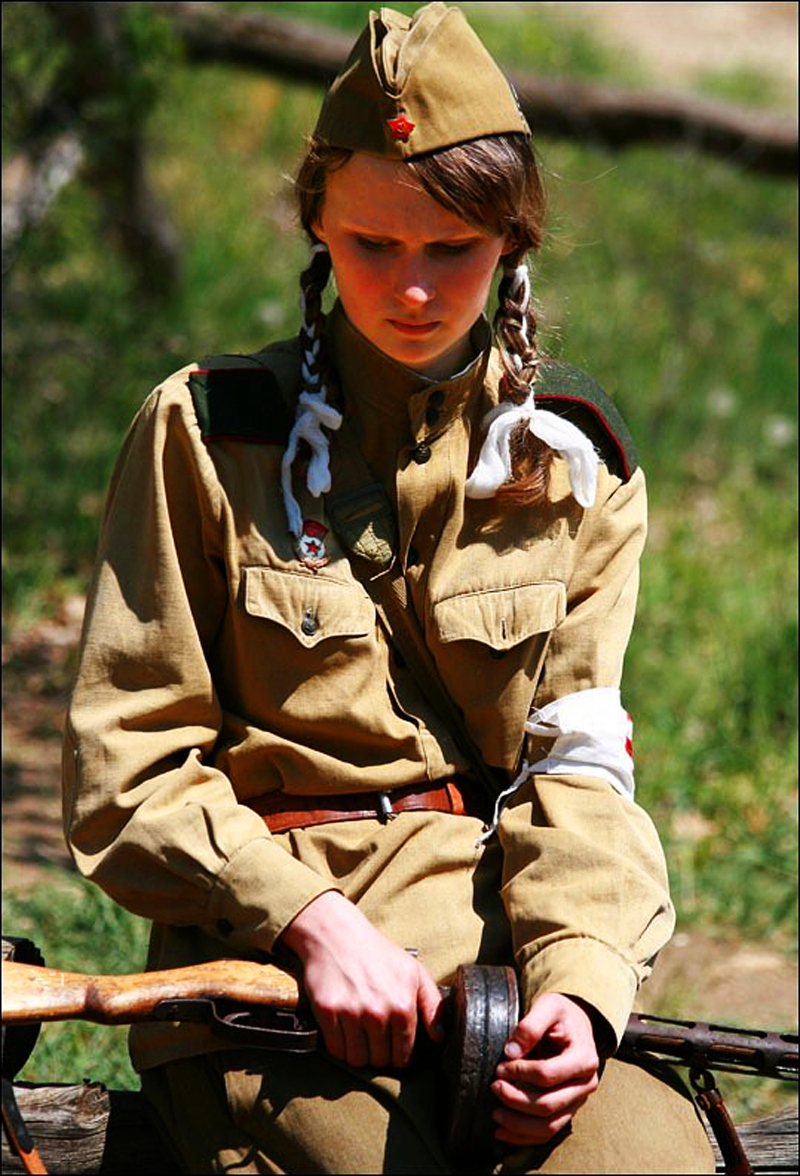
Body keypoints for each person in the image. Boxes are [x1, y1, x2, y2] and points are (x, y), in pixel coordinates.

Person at [62, 4, 715, 1172]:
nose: (410, 291)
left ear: (509, 242)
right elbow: (127, 770)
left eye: (450, 252)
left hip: (496, 982)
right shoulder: (208, 438)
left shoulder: (573, 465)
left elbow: (577, 769)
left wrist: (579, 992)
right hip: (263, 982)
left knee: (660, 1159)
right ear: (315, 220)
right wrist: (308, 926)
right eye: (372, 246)